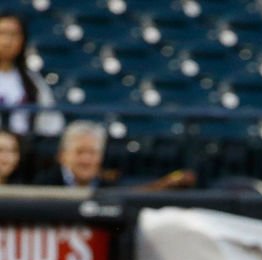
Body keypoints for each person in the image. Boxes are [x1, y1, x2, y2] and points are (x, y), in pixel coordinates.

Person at [34, 120, 196, 190]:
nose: (86, 160)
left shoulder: (108, 184)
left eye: (92, 153)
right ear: (63, 156)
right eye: (80, 152)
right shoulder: (43, 185)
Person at [0, 11, 63, 137]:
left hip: (23, 149)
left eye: (14, 35)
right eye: (2, 34)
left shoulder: (32, 79)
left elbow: (51, 121)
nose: (7, 41)